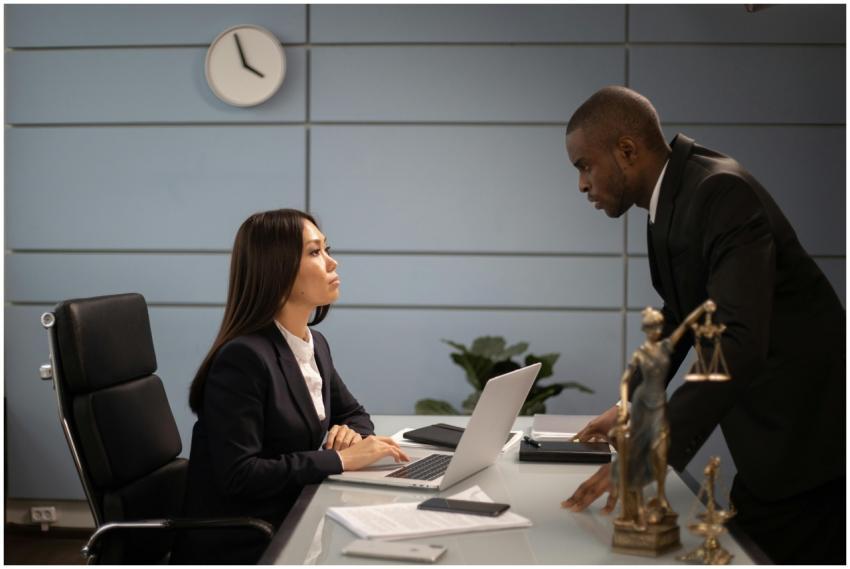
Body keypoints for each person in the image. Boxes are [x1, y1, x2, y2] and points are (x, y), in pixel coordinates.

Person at [559, 86, 845, 564]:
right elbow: (681, 311)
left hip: (811, 441)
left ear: (626, 151)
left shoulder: (719, 192)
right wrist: (628, 405)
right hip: (778, 443)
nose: (583, 184)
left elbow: (736, 339)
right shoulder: (674, 194)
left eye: (584, 166)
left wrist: (649, 450)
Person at [175, 208, 409, 563]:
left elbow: (354, 413)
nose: (333, 263)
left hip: (296, 516)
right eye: (315, 252)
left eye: (327, 249)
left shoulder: (313, 343)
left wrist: (348, 433)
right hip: (250, 541)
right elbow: (240, 474)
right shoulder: (243, 359)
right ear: (277, 269)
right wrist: (338, 459)